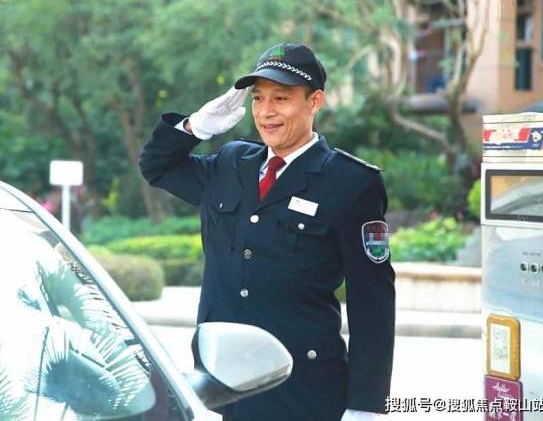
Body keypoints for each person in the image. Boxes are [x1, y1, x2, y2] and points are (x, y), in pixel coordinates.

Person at [138, 42, 395, 421]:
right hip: (224, 385)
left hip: (303, 389)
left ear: (315, 101)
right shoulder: (231, 163)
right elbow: (156, 166)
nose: (266, 111)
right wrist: (195, 127)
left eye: (281, 98)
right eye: (258, 98)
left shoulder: (350, 182)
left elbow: (372, 301)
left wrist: (365, 405)